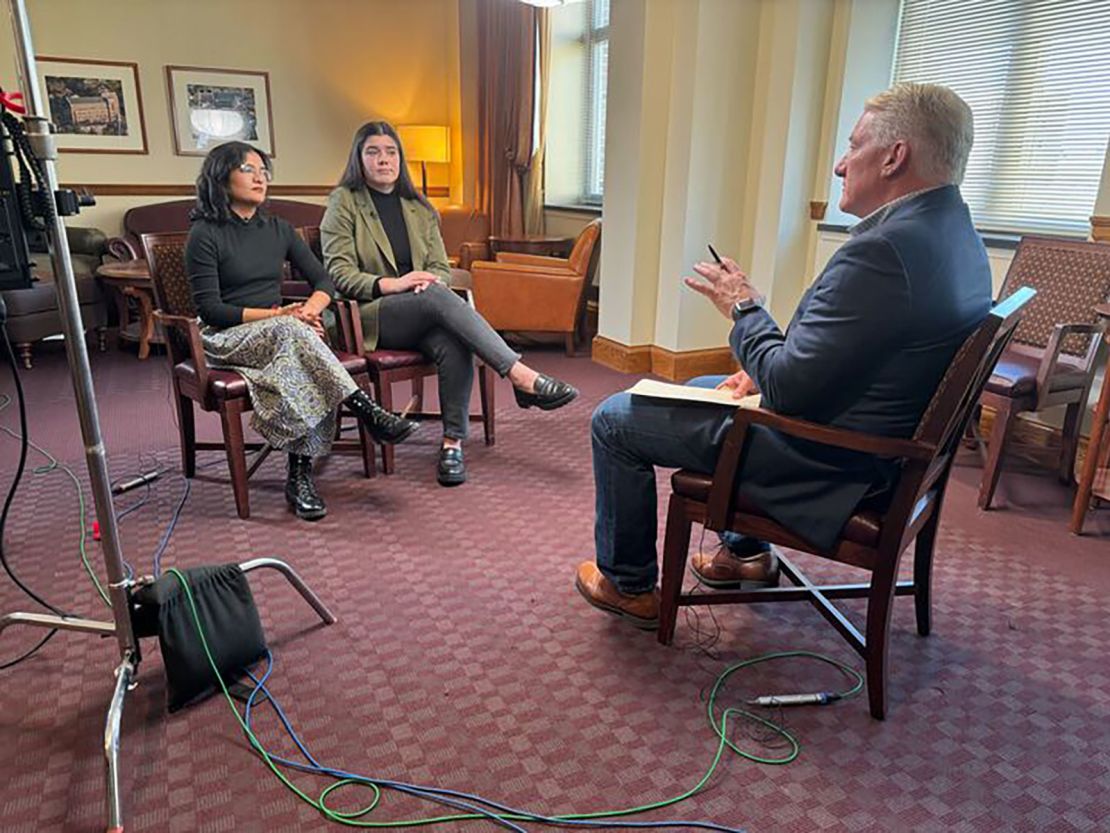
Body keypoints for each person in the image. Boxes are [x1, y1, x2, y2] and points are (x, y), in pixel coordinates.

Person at [575, 82, 993, 629]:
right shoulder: (955, 234)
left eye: (853, 146)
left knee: (614, 419)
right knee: (704, 387)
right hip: (878, 443)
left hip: (827, 459)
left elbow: (790, 390)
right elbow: (860, 352)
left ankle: (627, 585)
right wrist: (761, 367)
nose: (840, 165)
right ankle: (745, 555)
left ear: (895, 157)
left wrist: (745, 309)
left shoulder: (883, 251)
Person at [320, 121, 578, 487]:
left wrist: (429, 283)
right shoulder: (344, 202)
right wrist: (396, 285)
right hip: (371, 314)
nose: (383, 160)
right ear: (358, 159)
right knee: (438, 297)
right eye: (373, 152)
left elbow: (440, 267)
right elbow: (340, 274)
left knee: (453, 339)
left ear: (400, 158)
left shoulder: (419, 207)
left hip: (423, 308)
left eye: (391, 152)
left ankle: (452, 444)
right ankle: (520, 375)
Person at [185, 141, 419, 522]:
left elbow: (324, 280)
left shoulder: (279, 229)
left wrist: (308, 310)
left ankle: (300, 477)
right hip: (225, 337)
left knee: (296, 356)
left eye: (264, 171)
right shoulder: (204, 234)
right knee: (292, 334)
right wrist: (280, 315)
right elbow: (211, 309)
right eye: (248, 169)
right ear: (221, 177)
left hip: (283, 334)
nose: (260, 178)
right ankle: (365, 410)